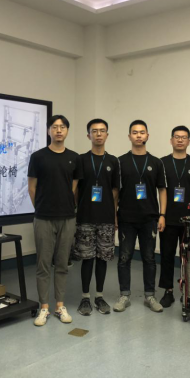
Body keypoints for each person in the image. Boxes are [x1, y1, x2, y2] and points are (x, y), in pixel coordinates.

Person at [28, 115, 84, 327]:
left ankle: (60, 305)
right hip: (43, 217)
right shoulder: (38, 157)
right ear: (48, 131)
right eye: (54, 127)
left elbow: (73, 187)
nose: (58, 130)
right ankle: (44, 307)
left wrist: (64, 204)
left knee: (62, 264)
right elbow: (32, 187)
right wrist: (41, 208)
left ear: (67, 131)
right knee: (43, 264)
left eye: (62, 127)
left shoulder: (74, 158)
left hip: (67, 217)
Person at [114, 120, 168, 313]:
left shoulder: (156, 162)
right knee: (124, 258)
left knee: (149, 258)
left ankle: (150, 296)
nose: (138, 135)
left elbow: (162, 190)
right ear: (129, 136)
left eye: (142, 132)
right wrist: (114, 215)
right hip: (126, 218)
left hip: (149, 218)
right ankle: (124, 296)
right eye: (135, 132)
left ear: (147, 136)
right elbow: (115, 191)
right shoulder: (120, 162)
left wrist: (162, 215)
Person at [74, 119, 120, 316]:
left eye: (102, 131)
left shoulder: (113, 161)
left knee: (103, 258)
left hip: (106, 218)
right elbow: (76, 189)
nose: (99, 134)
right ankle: (85, 298)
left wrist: (114, 214)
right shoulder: (81, 160)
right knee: (87, 259)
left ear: (107, 135)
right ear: (88, 135)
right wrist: (77, 209)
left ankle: (99, 296)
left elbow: (115, 190)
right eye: (95, 131)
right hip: (85, 217)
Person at [159, 126, 190, 308]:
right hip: (169, 219)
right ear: (171, 140)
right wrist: (161, 215)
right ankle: (168, 291)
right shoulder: (162, 163)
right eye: (177, 137)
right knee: (166, 255)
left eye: (184, 137)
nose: (180, 140)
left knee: (189, 257)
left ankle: (189, 291)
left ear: (189, 141)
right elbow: (160, 189)